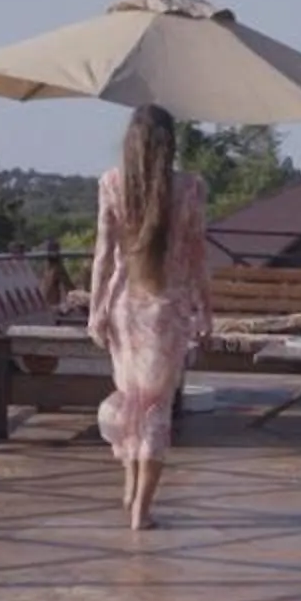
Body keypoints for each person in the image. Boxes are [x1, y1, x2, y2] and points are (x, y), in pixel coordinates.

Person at [86, 104, 212, 528]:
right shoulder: (192, 188)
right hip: (167, 308)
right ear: (171, 144)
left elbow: (103, 254)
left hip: (123, 306)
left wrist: (95, 308)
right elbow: (197, 254)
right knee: (156, 407)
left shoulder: (112, 184)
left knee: (131, 399)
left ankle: (129, 489)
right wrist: (206, 308)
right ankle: (141, 505)